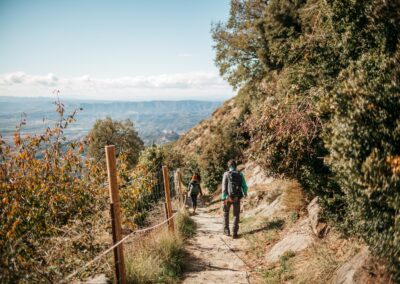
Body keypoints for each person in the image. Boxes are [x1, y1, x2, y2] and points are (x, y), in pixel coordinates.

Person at [221, 160, 248, 239]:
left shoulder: (226, 174)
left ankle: (226, 231)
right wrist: (245, 193)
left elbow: (223, 187)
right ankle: (234, 233)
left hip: (227, 197)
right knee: (236, 215)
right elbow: (244, 186)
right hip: (236, 197)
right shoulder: (240, 174)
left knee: (226, 213)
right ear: (236, 166)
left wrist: (224, 197)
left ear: (229, 166)